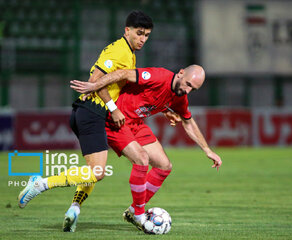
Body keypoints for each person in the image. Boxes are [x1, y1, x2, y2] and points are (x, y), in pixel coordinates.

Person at [16, 10, 176, 233]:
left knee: (93, 170)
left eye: (147, 35)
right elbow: (94, 81)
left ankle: (75, 207)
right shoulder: (119, 50)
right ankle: (41, 184)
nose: (143, 39)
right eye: (139, 33)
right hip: (92, 111)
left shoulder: (128, 53)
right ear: (127, 30)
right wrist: (113, 109)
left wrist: (163, 108)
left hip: (91, 113)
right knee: (98, 172)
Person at [70, 64, 223, 230]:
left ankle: (133, 211)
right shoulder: (158, 76)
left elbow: (188, 122)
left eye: (193, 89)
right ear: (180, 73)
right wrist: (95, 85)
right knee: (141, 159)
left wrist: (207, 150)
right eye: (188, 84)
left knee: (164, 166)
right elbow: (123, 74)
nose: (187, 91)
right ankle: (139, 215)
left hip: (135, 124)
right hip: (116, 121)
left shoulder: (179, 96)